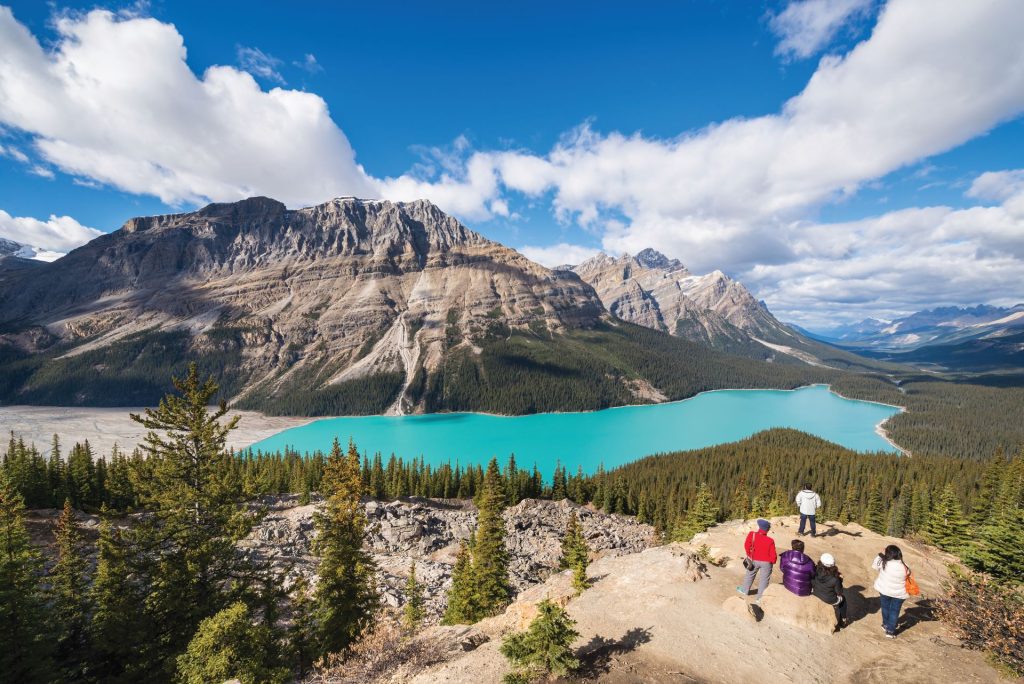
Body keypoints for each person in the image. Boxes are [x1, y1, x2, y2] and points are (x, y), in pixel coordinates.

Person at [872, 544, 910, 638]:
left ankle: (885, 625)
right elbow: (908, 574)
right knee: (894, 611)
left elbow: (874, 566)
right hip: (899, 593)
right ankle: (890, 631)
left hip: (884, 590)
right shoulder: (905, 567)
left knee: (885, 607)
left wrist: (881, 554)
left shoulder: (884, 563)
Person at [737, 519, 777, 603]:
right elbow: (773, 554)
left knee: (750, 574)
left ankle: (744, 590)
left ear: (759, 527)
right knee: (764, 580)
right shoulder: (770, 540)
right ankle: (760, 598)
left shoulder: (752, 535)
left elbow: (747, 545)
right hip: (767, 562)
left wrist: (749, 554)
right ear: (767, 530)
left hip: (754, 559)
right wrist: (772, 561)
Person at [811, 553, 847, 633]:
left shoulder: (816, 569)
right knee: (843, 600)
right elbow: (839, 592)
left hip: (815, 592)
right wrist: (840, 580)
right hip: (829, 599)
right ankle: (843, 620)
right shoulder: (835, 579)